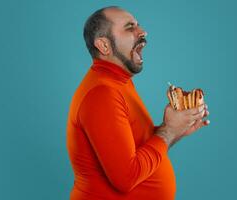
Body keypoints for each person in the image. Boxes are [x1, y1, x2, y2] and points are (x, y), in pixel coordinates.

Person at [66, 6, 210, 200]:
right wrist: (168, 131)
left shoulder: (120, 82)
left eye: (138, 24)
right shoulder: (101, 94)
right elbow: (126, 177)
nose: (142, 31)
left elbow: (138, 151)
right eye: (129, 27)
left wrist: (177, 130)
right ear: (104, 46)